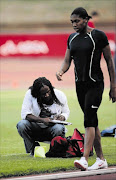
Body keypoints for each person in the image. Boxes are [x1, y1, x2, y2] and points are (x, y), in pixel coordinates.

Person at [56, 7, 116, 171]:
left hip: (95, 84)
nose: (74, 24)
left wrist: (113, 86)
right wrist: (61, 71)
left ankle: (84, 158)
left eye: (77, 21)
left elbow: (110, 62)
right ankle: (101, 159)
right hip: (80, 86)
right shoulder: (72, 38)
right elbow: (67, 60)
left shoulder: (98, 35)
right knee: (92, 121)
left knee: (88, 119)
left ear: (86, 19)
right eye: (72, 22)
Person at [16, 77, 70, 156]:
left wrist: (62, 117)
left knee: (59, 128)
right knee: (21, 124)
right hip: (36, 128)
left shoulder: (59, 95)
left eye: (48, 92)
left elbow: (66, 112)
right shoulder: (30, 94)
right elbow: (25, 114)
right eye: (43, 94)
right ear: (37, 94)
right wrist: (42, 120)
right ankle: (33, 149)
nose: (47, 95)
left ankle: (54, 151)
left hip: (53, 129)